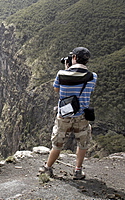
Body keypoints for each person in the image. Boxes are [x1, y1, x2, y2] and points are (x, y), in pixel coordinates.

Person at [39, 47, 97, 180]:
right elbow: (90, 89)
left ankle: (47, 168)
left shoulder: (61, 74)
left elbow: (56, 89)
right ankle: (78, 171)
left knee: (57, 143)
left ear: (74, 57)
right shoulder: (92, 76)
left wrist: (67, 70)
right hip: (82, 116)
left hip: (64, 115)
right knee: (82, 143)